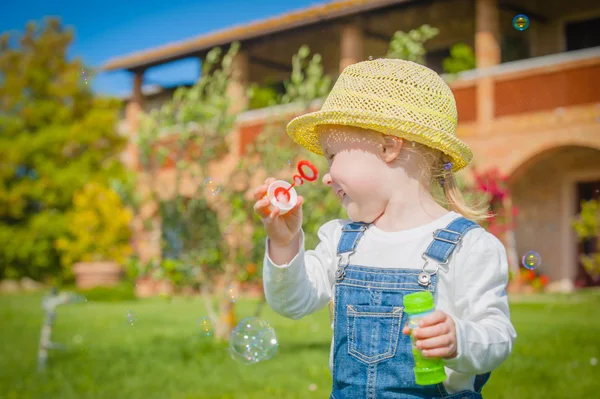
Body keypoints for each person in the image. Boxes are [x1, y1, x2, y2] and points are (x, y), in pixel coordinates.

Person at [252, 59, 516, 399]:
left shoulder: (470, 246)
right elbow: (292, 302)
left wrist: (460, 339)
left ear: (389, 147)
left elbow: (498, 335)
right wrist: (284, 244)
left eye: (332, 156)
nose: (327, 175)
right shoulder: (340, 240)